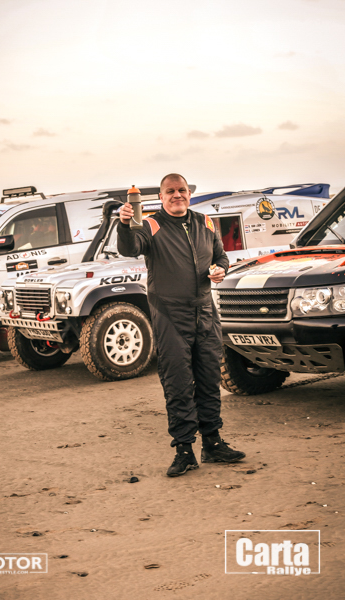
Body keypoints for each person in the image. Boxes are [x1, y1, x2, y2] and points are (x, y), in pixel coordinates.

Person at [117, 173, 245, 477]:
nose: (177, 195)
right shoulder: (150, 224)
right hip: (170, 316)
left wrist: (220, 270)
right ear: (161, 197)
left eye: (182, 190)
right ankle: (184, 450)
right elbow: (130, 248)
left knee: (209, 379)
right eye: (170, 191)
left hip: (205, 313)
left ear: (189, 193)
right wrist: (124, 224)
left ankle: (212, 443)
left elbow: (221, 257)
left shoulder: (205, 222)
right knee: (178, 384)